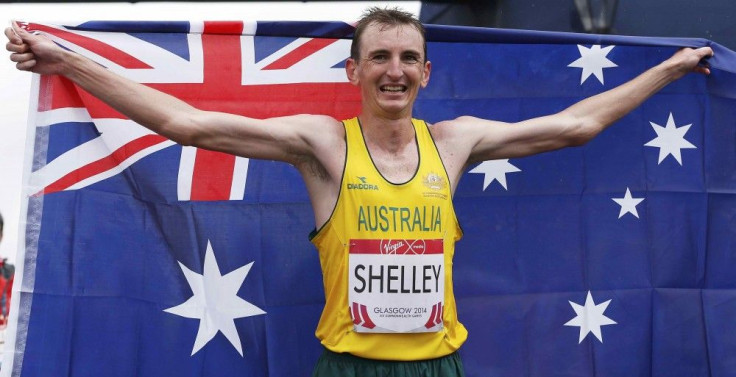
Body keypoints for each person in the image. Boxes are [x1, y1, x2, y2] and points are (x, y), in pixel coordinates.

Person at [5, 7, 713, 377]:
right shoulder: (322, 144)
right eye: (380, 57)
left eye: (408, 58)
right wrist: (71, 60)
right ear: (355, 71)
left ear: (427, 73)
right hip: (349, 368)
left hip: (439, 366)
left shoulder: (456, 141)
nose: (395, 70)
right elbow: (182, 122)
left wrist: (672, 70)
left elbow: (576, 125)